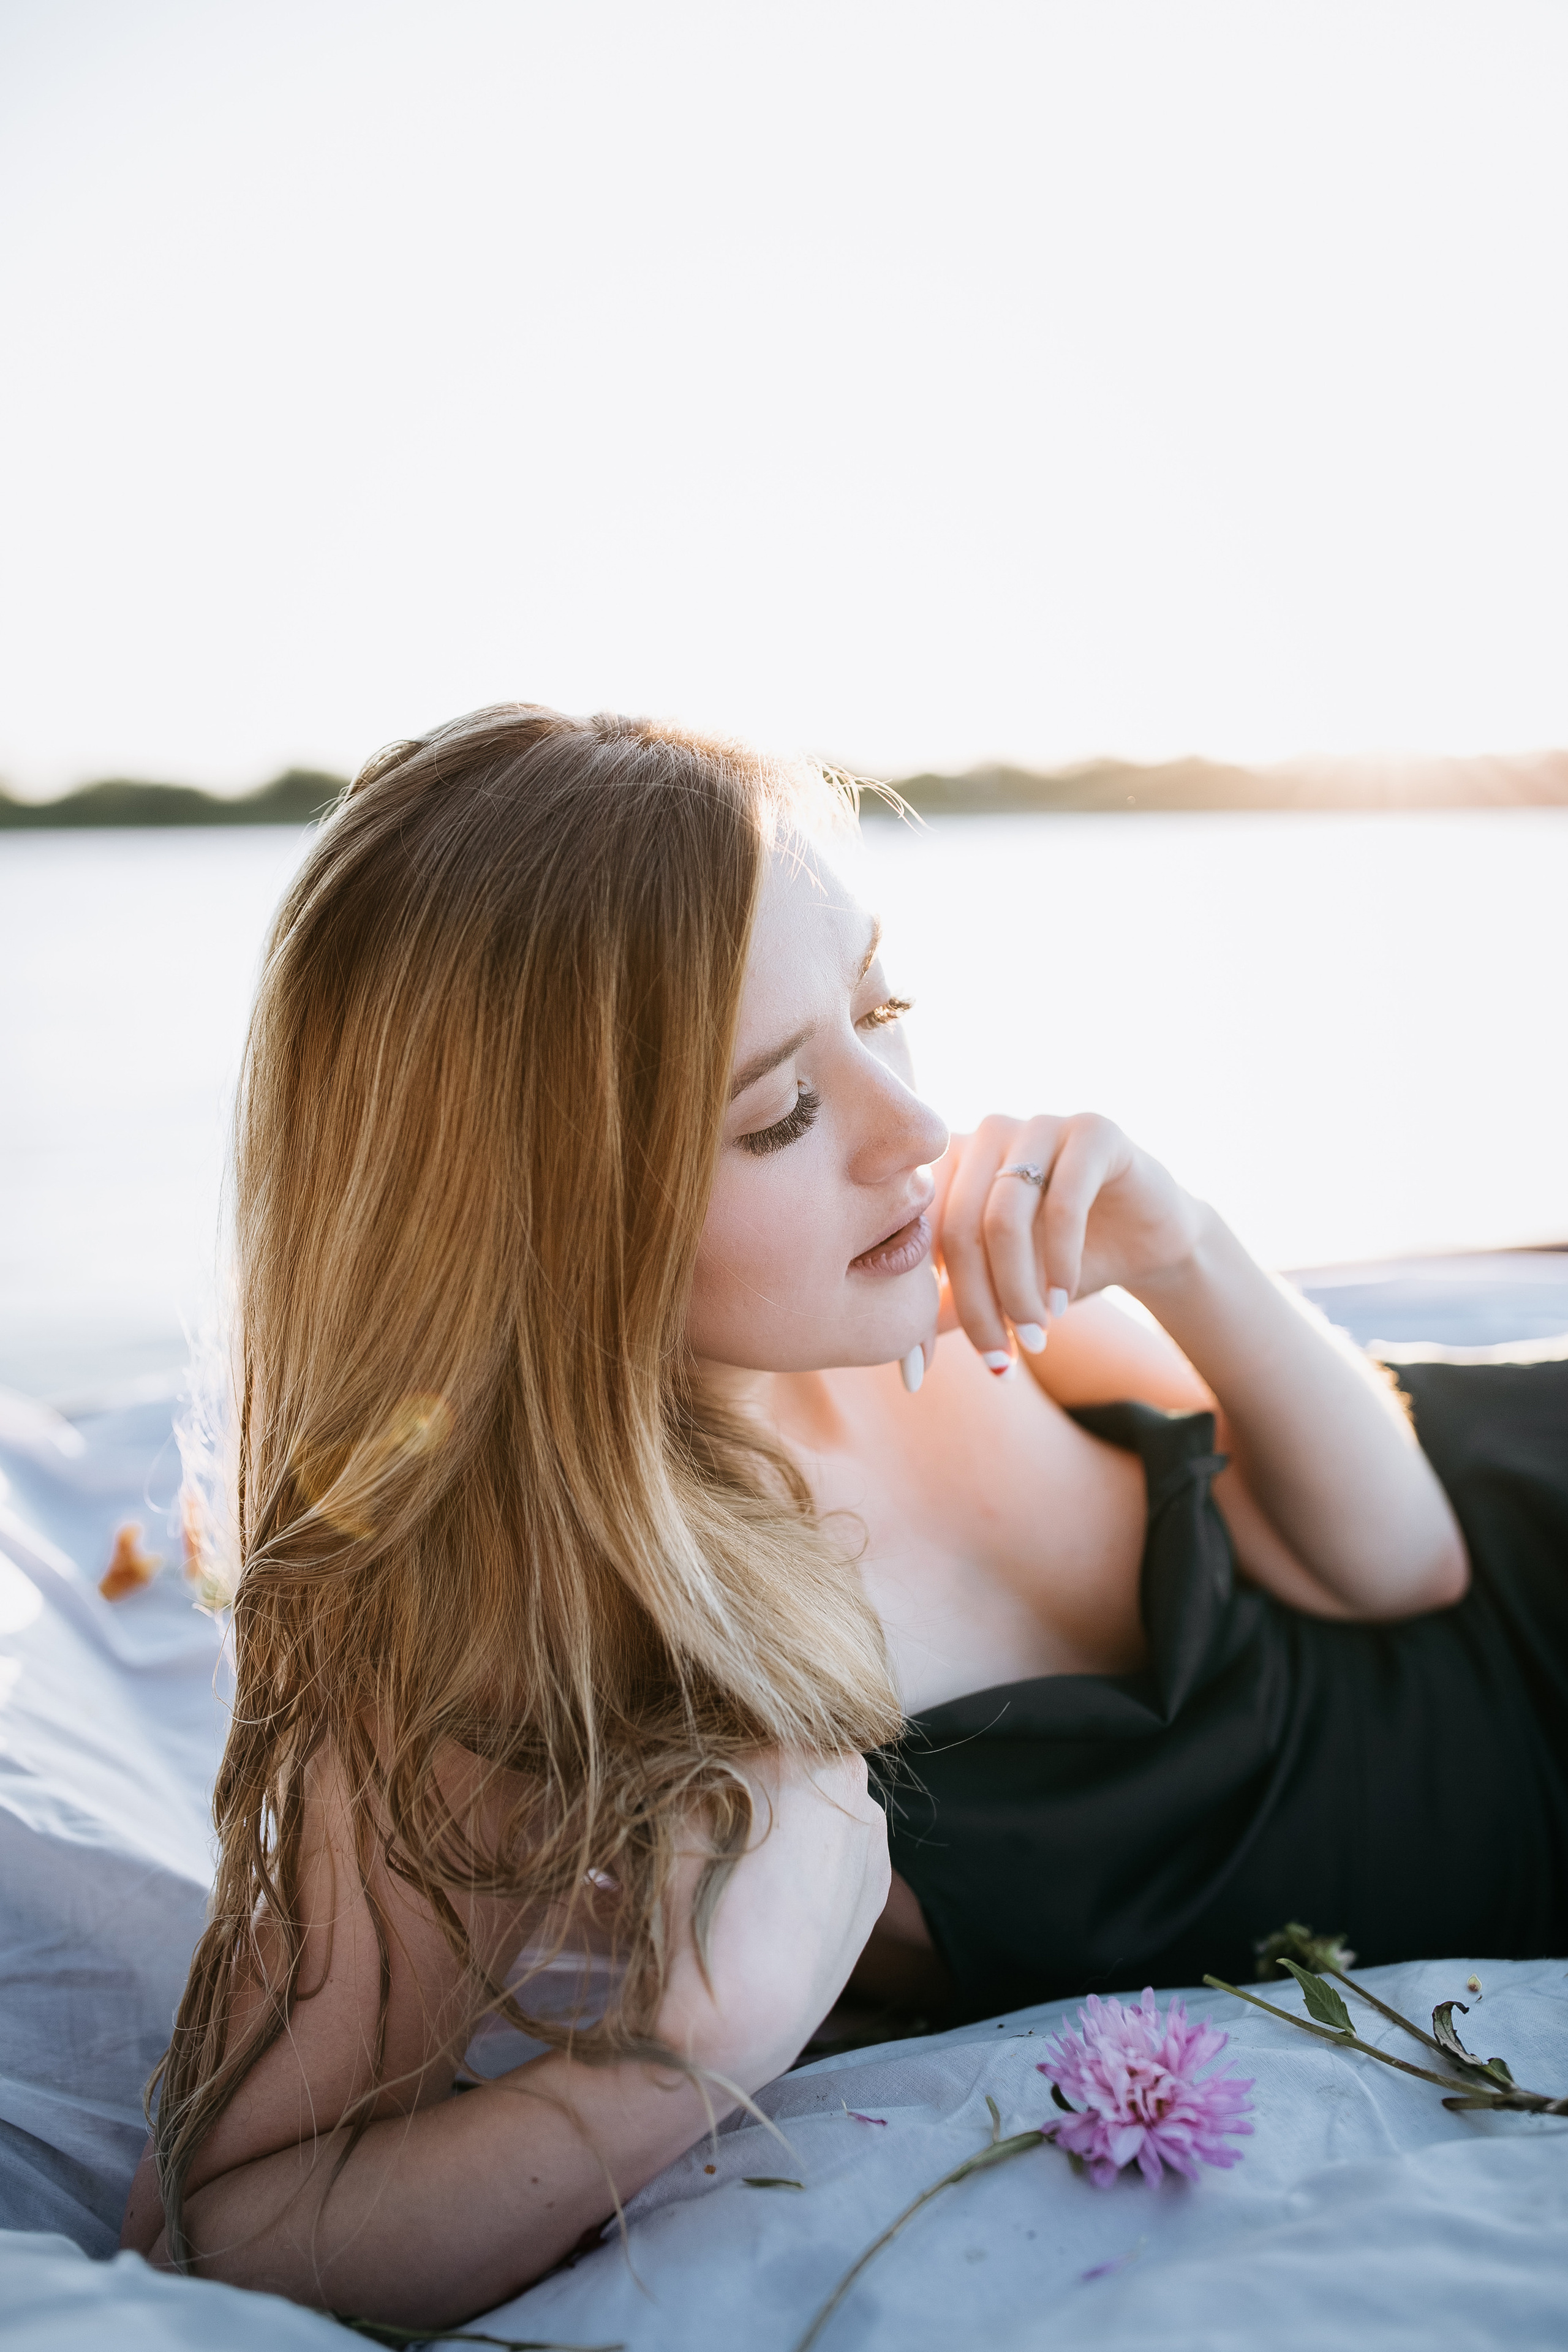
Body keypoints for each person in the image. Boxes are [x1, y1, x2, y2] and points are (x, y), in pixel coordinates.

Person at [120, 704, 1568, 2326]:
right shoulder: (522, 1659)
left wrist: (1188, 1248)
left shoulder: (935, 1278)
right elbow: (221, 2227)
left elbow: (1408, 1568)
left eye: (881, 1010)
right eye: (781, 1114)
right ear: (536, 1225)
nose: (916, 1131)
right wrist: (681, 2063)